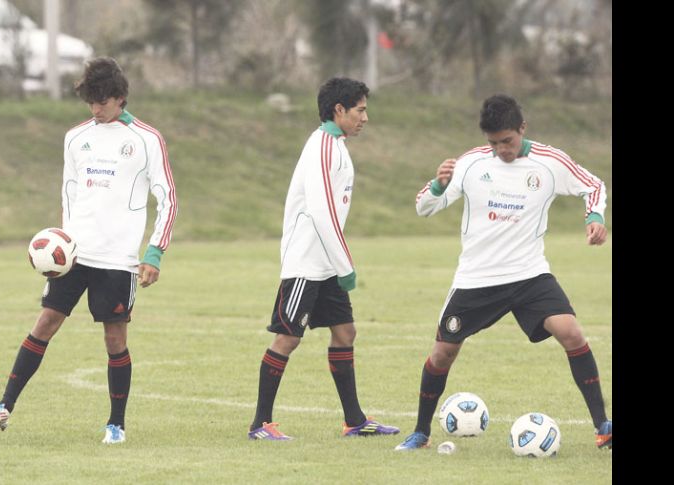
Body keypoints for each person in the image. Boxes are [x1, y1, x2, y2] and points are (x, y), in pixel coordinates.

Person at [0, 57, 177, 444]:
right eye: (90, 102)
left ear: (120, 98)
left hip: (118, 259)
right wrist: (61, 244)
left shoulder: (147, 139)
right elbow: (69, 192)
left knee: (114, 339)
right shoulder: (75, 137)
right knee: (44, 324)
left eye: (102, 101)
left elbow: (168, 198)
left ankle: (116, 424)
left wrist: (154, 252)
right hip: (74, 257)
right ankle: (3, 407)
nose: (95, 109)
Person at [394, 94, 611, 451]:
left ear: (522, 129)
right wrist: (437, 185)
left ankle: (603, 425)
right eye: (493, 143)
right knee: (442, 353)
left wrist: (595, 217)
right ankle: (420, 432)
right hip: (477, 278)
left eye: (507, 141)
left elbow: (593, 185)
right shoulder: (469, 164)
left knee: (571, 332)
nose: (501, 150)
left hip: (529, 274)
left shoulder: (549, 162)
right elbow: (424, 207)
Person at [247, 77, 399, 440]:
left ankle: (355, 421)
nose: (366, 117)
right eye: (360, 110)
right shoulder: (323, 147)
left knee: (345, 333)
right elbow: (322, 211)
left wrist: (336, 264)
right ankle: (260, 424)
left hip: (325, 262)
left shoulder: (336, 145)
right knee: (287, 338)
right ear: (339, 110)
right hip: (306, 263)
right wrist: (346, 267)